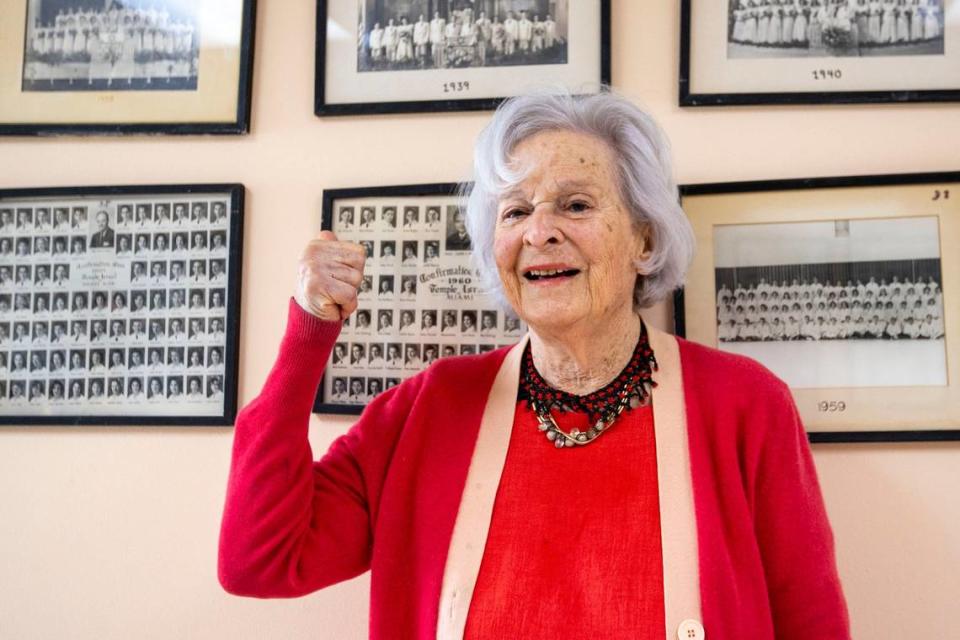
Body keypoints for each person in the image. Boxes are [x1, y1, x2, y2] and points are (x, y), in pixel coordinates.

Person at [218, 91, 850, 639]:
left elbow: (811, 621)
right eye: (515, 211)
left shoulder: (744, 403)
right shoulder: (430, 408)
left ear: (645, 238)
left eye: (575, 205)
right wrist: (309, 334)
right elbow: (261, 559)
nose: (538, 231)